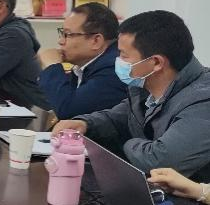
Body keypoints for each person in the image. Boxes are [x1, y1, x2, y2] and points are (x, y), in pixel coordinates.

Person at [53, 10, 210, 180]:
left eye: (123, 55)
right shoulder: (145, 85)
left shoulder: (203, 102)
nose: (117, 60)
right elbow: (119, 117)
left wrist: (126, 143)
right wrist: (85, 124)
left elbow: (160, 161)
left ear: (156, 62)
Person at [36, 2, 127, 119]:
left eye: (68, 34)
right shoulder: (88, 65)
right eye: (62, 33)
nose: (61, 41)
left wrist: (52, 65)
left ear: (96, 41)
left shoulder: (114, 69)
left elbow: (69, 111)